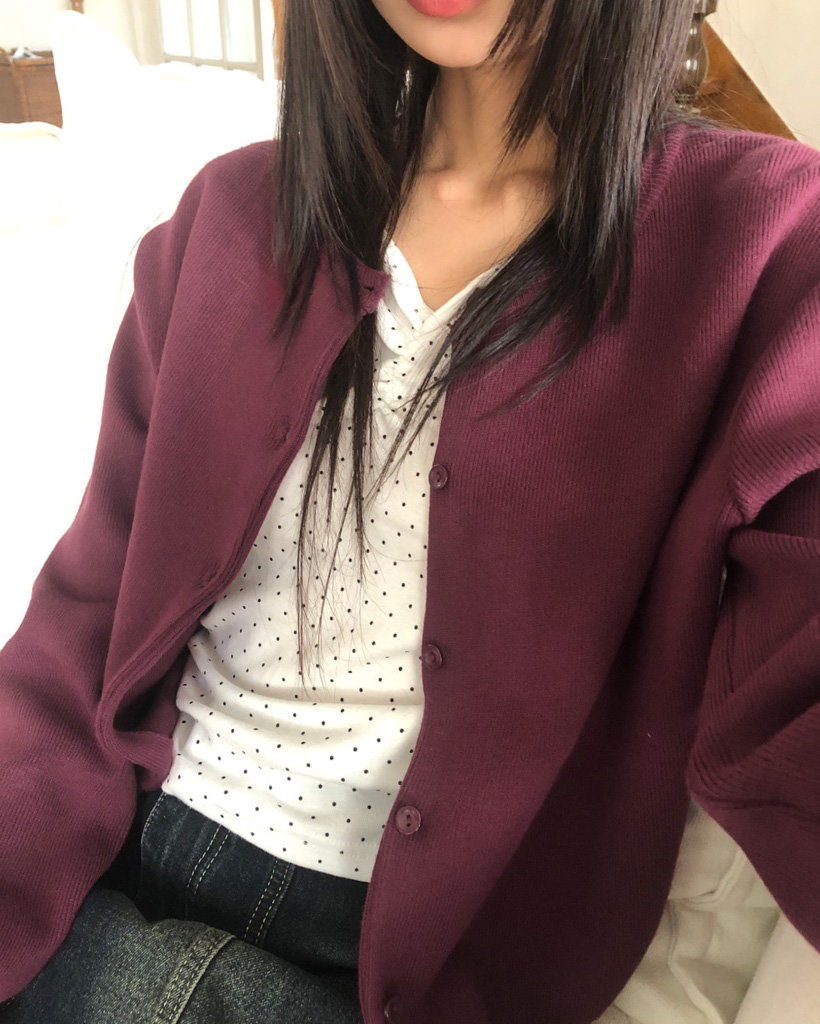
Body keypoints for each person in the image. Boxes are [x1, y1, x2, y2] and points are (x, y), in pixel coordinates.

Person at [1, 0, 819, 1021]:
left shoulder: (763, 243)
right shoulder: (229, 213)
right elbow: (85, 618)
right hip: (102, 879)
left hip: (398, 969)